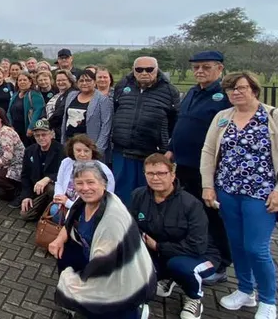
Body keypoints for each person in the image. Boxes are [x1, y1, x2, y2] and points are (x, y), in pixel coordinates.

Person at [200, 72, 278, 319]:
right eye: (230, 89)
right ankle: (246, 290)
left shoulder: (275, 117)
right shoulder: (222, 117)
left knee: (256, 248)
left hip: (261, 194)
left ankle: (268, 299)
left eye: (240, 88)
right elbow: (208, 152)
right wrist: (208, 185)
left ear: (254, 90)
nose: (235, 93)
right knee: (237, 245)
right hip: (228, 192)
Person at [49, 161, 155, 319]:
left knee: (103, 307)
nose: (85, 188)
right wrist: (58, 239)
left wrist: (72, 282)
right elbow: (69, 224)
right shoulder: (82, 201)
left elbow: (103, 265)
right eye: (79, 183)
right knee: (65, 252)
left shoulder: (112, 217)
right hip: (94, 256)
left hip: (120, 272)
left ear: (104, 184)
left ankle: (136, 310)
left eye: (91, 182)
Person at [168, 51, 233, 284]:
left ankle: (221, 263)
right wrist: (171, 148)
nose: (200, 71)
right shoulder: (193, 93)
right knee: (190, 213)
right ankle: (195, 253)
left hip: (207, 168)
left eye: (206, 67)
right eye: (196, 67)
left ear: (219, 69)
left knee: (213, 216)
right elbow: (180, 124)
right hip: (183, 164)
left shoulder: (224, 96)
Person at [130, 154, 217, 319]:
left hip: (199, 255)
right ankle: (167, 278)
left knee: (179, 266)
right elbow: (131, 226)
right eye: (150, 173)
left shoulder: (191, 204)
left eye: (161, 173)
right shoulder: (138, 195)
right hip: (160, 252)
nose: (155, 178)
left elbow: (197, 246)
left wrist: (158, 247)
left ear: (172, 175)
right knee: (136, 265)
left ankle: (194, 298)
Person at [110, 57, 179, 203]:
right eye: (139, 69)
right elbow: (116, 110)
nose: (144, 73)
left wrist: (169, 147)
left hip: (152, 153)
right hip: (123, 151)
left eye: (149, 69)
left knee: (149, 195)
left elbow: (176, 121)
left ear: (156, 69)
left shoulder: (169, 90)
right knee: (122, 195)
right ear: (133, 70)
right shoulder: (122, 86)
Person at [51, 135, 117, 222]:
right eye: (78, 150)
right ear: (72, 150)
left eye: (86, 151)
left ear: (92, 152)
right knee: (54, 210)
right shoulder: (66, 162)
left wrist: (68, 203)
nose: (82, 154)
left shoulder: (103, 170)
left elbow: (105, 198)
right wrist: (59, 197)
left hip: (89, 208)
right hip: (65, 202)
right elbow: (59, 182)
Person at [18, 119, 64, 221]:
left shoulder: (61, 150)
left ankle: (52, 210)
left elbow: (65, 174)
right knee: (25, 215)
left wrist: (48, 178)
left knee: (50, 188)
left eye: (44, 134)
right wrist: (26, 196)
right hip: (37, 191)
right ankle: (42, 209)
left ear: (51, 134)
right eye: (37, 135)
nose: (41, 138)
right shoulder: (29, 151)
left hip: (54, 190)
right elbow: (25, 175)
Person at [59, 69, 113, 153]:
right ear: (77, 83)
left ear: (94, 82)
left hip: (90, 146)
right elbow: (65, 119)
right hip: (70, 144)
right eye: (81, 80)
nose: (84, 83)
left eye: (88, 80)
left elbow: (106, 126)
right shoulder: (71, 95)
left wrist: (98, 149)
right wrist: (63, 142)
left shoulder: (103, 99)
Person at [8, 72, 45, 147]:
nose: (22, 82)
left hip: (27, 130)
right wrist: (10, 125)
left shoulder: (34, 94)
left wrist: (31, 127)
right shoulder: (15, 94)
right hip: (15, 129)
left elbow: (38, 111)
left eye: (25, 80)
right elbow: (9, 111)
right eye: (20, 80)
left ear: (30, 82)